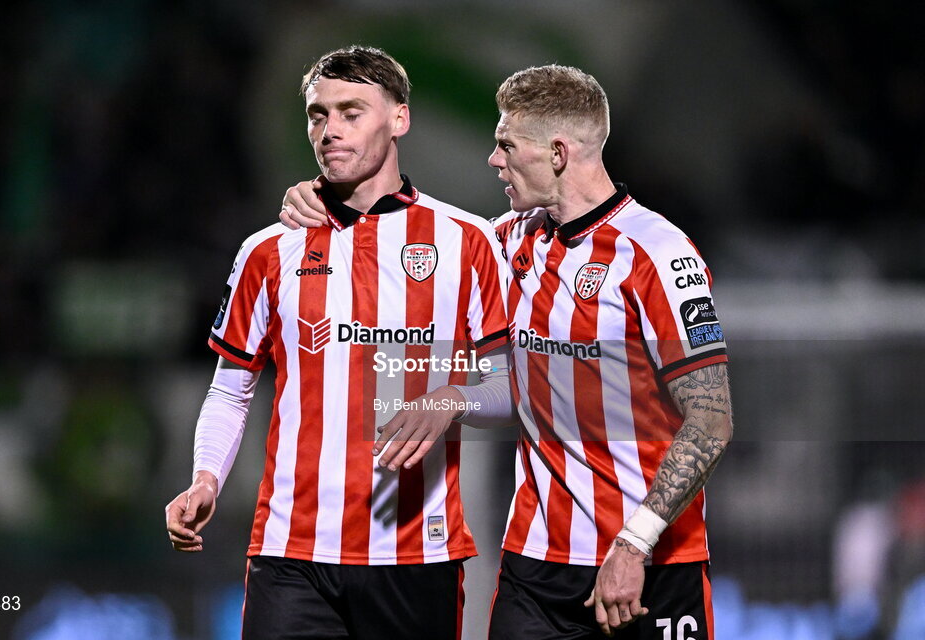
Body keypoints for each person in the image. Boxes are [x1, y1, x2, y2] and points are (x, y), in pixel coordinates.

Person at [280, 64, 734, 639]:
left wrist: (633, 544)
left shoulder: (659, 255)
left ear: (558, 152)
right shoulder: (508, 241)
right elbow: (407, 239)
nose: (493, 160)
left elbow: (711, 423)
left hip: (651, 566)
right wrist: (321, 196)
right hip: (536, 569)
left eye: (506, 144)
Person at [164, 45, 511, 640]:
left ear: (399, 118)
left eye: (352, 112)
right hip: (291, 551)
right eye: (318, 114)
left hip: (416, 556)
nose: (330, 131)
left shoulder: (468, 241)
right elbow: (231, 389)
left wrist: (451, 397)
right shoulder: (268, 250)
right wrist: (205, 479)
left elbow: (513, 388)